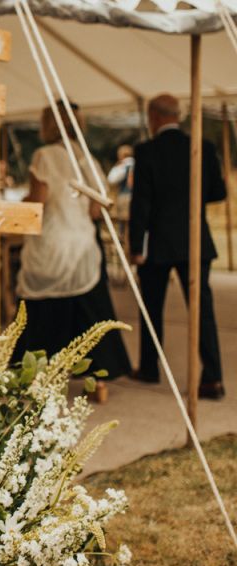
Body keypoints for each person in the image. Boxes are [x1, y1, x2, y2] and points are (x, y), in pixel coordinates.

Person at [14, 103, 132, 402]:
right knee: (90, 312)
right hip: (83, 244)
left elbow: (38, 202)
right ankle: (99, 379)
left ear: (48, 125)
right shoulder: (88, 159)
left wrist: (21, 202)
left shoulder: (44, 156)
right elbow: (95, 210)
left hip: (53, 240)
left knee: (43, 311)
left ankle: (39, 374)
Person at [129, 94, 226, 399]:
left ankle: (149, 367)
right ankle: (213, 378)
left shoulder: (146, 151)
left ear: (154, 117)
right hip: (195, 239)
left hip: (158, 242)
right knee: (202, 311)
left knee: (151, 308)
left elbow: (141, 203)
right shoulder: (202, 147)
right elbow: (219, 192)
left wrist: (136, 246)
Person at [107, 144, 135, 245]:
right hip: (136, 198)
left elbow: (111, 179)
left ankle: (125, 245)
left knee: (124, 225)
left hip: (125, 197)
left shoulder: (124, 164)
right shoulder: (137, 163)